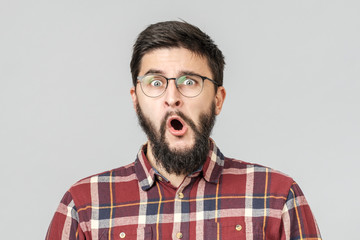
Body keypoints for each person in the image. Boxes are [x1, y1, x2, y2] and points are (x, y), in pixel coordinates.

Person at [46, 21, 321, 240]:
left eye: (189, 81)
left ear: (218, 99)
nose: (172, 97)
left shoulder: (277, 198)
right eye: (155, 83)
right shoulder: (82, 207)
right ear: (135, 99)